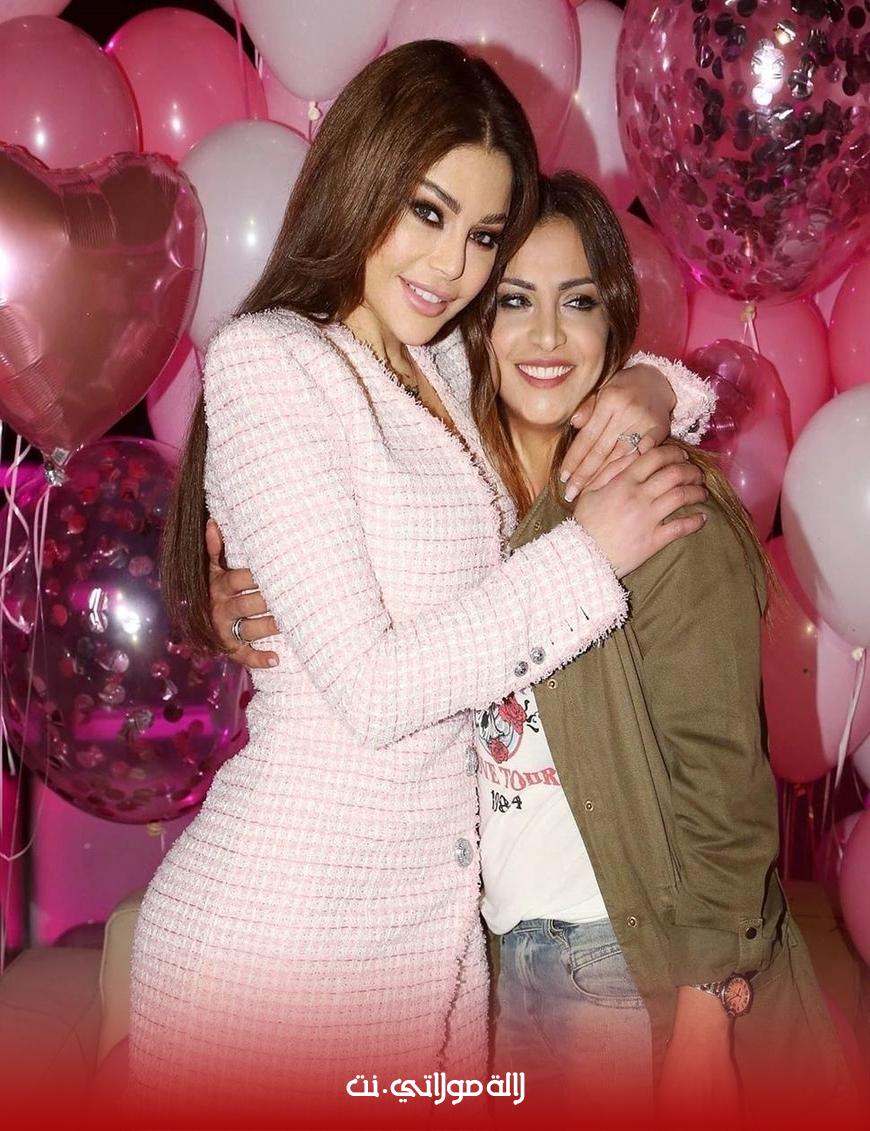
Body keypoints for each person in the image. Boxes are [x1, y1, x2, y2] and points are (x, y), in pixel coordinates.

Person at [134, 42, 712, 1123]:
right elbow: (373, 688)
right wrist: (591, 552)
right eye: (429, 212)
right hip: (278, 950)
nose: (452, 266)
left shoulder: (441, 362)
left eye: (484, 234)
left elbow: (576, 372)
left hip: (426, 950)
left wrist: (647, 387)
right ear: (364, 177)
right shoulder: (272, 360)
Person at [210, 171, 856, 1130]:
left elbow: (722, 777)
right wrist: (223, 599)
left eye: (578, 302)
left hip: (624, 964)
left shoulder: (657, 504)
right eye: (514, 301)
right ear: (475, 324)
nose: (547, 336)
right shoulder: (466, 510)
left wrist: (702, 1013)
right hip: (491, 962)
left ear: (614, 319)